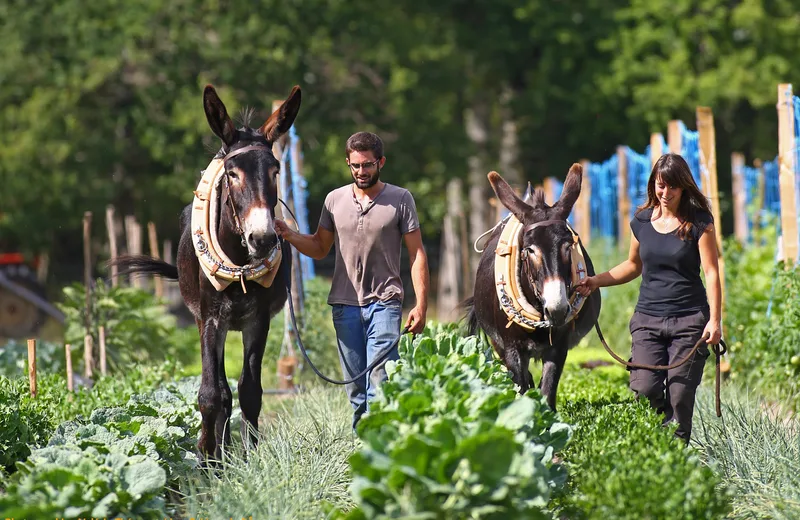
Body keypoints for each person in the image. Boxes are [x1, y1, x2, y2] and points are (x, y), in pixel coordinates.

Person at [275, 131, 429, 429]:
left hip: (386, 303)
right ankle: (365, 451)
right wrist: (289, 235)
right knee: (357, 392)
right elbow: (320, 248)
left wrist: (421, 305)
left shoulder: (400, 199)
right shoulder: (334, 200)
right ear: (348, 163)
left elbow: (417, 254)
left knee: (380, 384)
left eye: (368, 165)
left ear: (380, 162)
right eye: (355, 165)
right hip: (345, 307)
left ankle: (384, 451)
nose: (361, 171)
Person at [575, 153, 722, 443]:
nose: (665, 193)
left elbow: (712, 273)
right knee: (644, 390)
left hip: (690, 321)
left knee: (680, 395)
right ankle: (656, 444)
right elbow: (632, 265)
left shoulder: (698, 223)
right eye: (660, 185)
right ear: (653, 184)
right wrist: (594, 281)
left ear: (683, 187)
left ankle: (675, 453)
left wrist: (715, 321)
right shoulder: (642, 221)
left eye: (672, 187)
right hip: (647, 321)